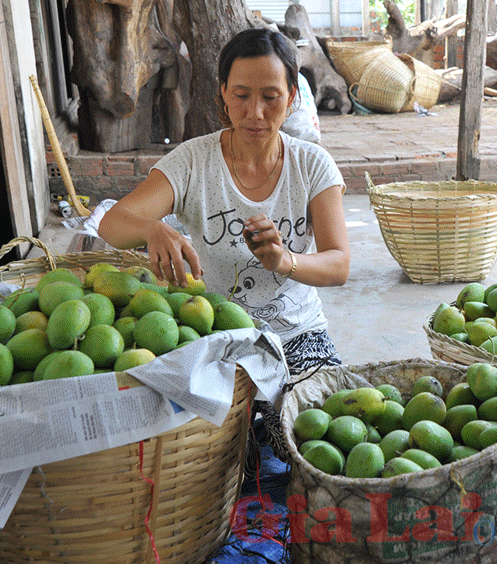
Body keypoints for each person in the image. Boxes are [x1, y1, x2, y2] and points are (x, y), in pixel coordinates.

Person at [97, 27, 350, 376]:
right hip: (216, 335)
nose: (255, 112)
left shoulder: (312, 165)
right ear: (224, 93)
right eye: (242, 95)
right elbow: (111, 224)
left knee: (317, 410)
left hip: (299, 336)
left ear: (292, 96)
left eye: (270, 97)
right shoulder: (192, 162)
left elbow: (338, 265)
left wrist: (283, 260)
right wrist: (152, 229)